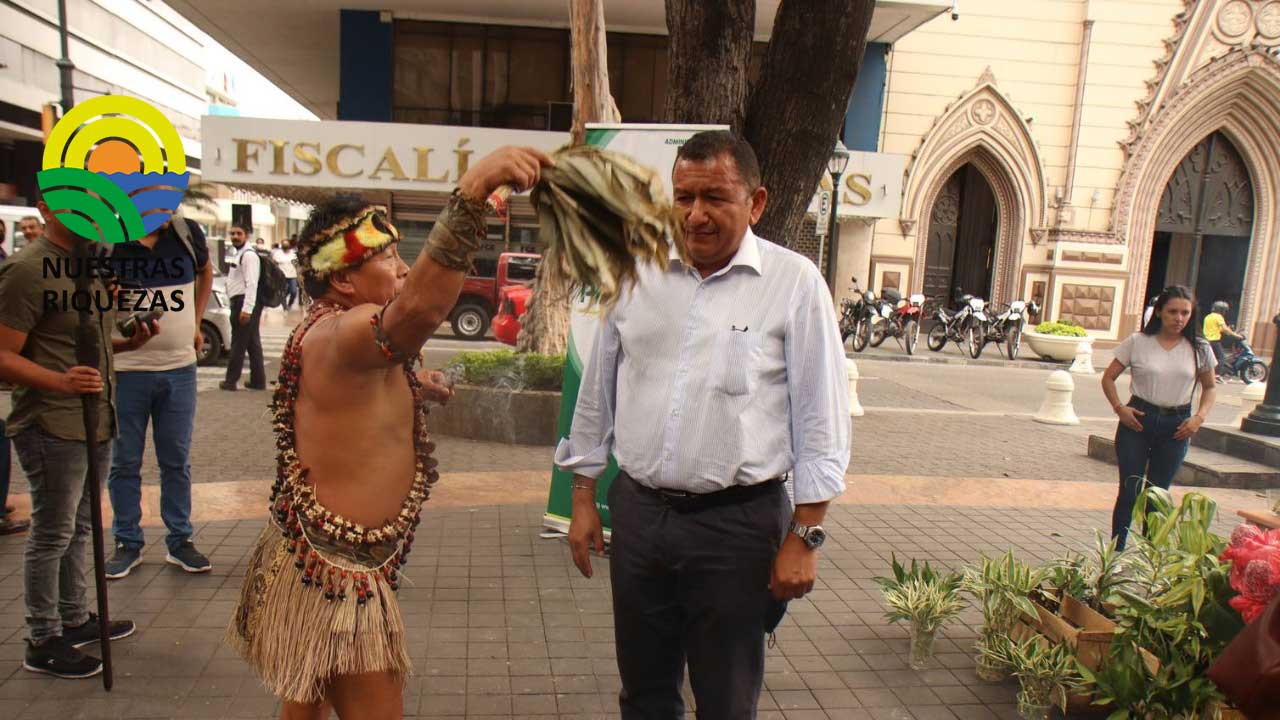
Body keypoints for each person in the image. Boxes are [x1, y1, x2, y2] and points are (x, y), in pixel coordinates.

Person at [226, 145, 550, 719]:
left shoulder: (337, 335)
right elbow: (418, 312)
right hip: (336, 573)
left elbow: (352, 396)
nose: (403, 269)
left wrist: (414, 385)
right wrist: (473, 190)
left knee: (305, 703)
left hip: (320, 560)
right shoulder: (345, 332)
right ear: (344, 279)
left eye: (403, 255)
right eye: (389, 257)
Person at [555, 130, 851, 719]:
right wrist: (582, 495)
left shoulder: (793, 285)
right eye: (683, 196)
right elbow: (598, 395)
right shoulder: (635, 272)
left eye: (715, 197)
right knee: (643, 691)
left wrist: (806, 535)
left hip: (738, 529)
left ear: (756, 202)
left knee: (725, 698)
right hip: (640, 517)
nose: (696, 214)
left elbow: (821, 419)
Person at [0, 199, 156, 678]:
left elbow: (80, 339)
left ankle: (74, 619)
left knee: (82, 526)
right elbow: (4, 355)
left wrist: (129, 343)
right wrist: (60, 382)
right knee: (52, 531)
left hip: (95, 418)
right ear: (48, 206)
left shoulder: (89, 265)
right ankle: (41, 638)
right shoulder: (27, 270)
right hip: (51, 421)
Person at [103, 215, 214, 579]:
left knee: (176, 460)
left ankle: (180, 540)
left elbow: (206, 272)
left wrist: (196, 323)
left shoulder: (186, 232)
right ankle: (127, 542)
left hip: (179, 369)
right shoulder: (109, 238)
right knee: (124, 462)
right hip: (127, 371)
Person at [1102, 285, 1217, 551]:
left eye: (1185, 313)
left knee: (1157, 495)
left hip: (1177, 426)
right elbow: (1108, 377)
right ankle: (1115, 554)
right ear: (1159, 313)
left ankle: (1149, 556)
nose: (1179, 318)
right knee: (1129, 491)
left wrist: (1199, 418)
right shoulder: (1138, 342)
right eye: (1172, 311)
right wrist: (1120, 408)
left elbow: (1210, 387)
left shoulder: (1199, 348)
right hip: (1138, 420)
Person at [221, 223, 266, 391]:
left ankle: (231, 381)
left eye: (239, 233)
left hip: (245, 302)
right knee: (252, 343)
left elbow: (251, 283)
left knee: (238, 343)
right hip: (241, 302)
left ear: (246, 236)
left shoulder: (248, 256)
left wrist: (247, 309)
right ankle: (258, 380)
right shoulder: (239, 253)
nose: (235, 236)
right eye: (232, 233)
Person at [1204, 300, 1244, 382]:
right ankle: (1216, 375)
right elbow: (1225, 330)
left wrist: (1229, 329)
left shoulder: (1208, 316)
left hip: (1207, 340)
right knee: (1221, 358)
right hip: (1214, 341)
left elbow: (1220, 328)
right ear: (1221, 310)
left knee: (1211, 358)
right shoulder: (1218, 317)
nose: (1225, 312)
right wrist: (1237, 336)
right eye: (1224, 310)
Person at [273, 239, 300, 310]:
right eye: (284, 244)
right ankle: (285, 306)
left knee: (293, 291)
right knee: (283, 292)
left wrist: (299, 274)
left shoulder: (293, 254)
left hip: (292, 275)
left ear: (289, 245)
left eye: (286, 244)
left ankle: (290, 304)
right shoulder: (277, 254)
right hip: (282, 276)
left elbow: (296, 264)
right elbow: (274, 264)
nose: (285, 245)